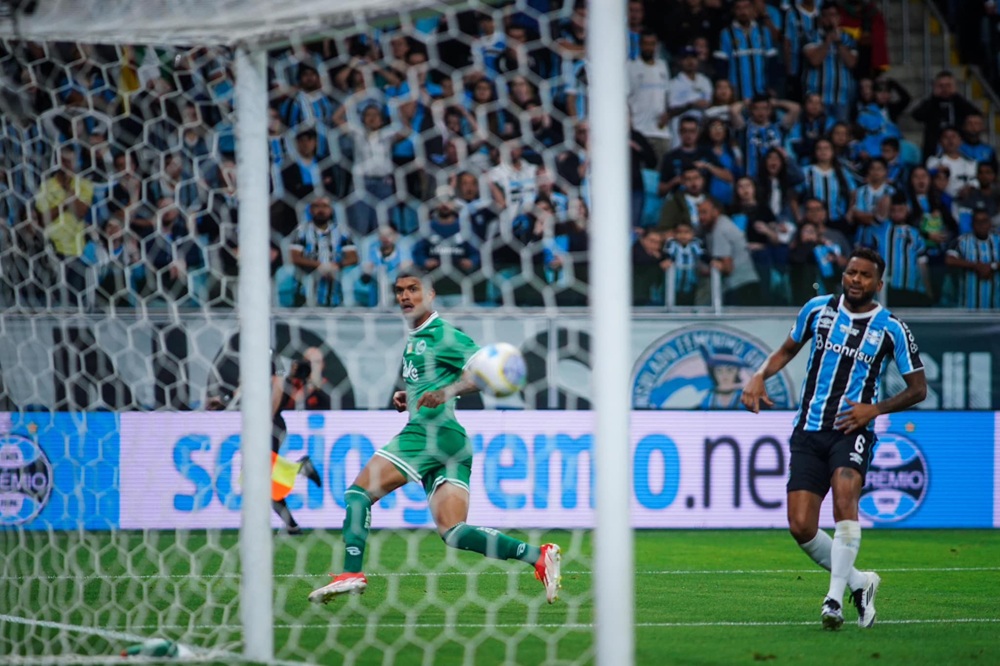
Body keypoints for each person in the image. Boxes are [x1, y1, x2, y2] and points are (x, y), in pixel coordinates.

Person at [308, 271, 561, 604]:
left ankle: (351, 571)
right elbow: (431, 382)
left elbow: (487, 371)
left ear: (430, 294)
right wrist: (408, 397)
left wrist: (446, 392)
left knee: (358, 494)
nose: (405, 296)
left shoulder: (442, 334)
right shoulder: (417, 338)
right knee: (454, 532)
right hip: (452, 442)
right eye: (399, 291)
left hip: (430, 433)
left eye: (413, 289)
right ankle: (538, 555)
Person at [742, 247, 927, 630]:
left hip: (851, 429)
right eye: (850, 272)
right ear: (843, 275)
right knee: (801, 525)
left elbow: (918, 388)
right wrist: (761, 374)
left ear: (879, 283)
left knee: (846, 498)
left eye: (864, 275)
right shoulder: (817, 309)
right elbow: (788, 348)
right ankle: (860, 583)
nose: (855, 280)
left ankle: (833, 599)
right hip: (808, 428)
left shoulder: (891, 327)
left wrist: (873, 410)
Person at [205, 337, 323, 535]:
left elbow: (277, 386)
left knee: (254, 477)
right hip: (261, 424)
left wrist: (267, 420)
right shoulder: (252, 354)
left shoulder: (266, 352)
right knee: (260, 481)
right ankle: (291, 523)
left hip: (270, 425)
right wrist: (224, 402)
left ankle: (297, 475)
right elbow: (245, 391)